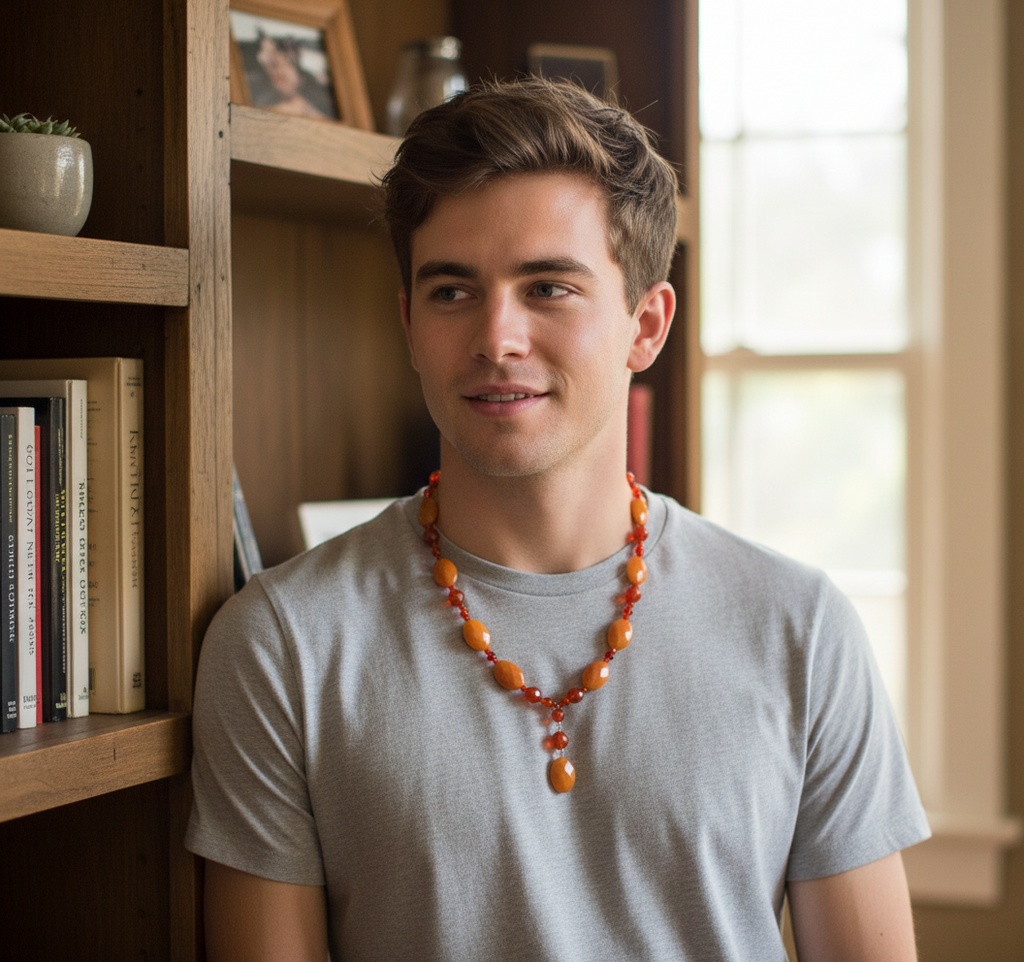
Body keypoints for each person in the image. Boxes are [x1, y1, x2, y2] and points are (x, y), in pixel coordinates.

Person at [186, 78, 930, 961]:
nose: (497, 336)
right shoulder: (281, 644)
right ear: (410, 324)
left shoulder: (801, 629)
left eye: (548, 288)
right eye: (453, 292)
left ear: (645, 326)